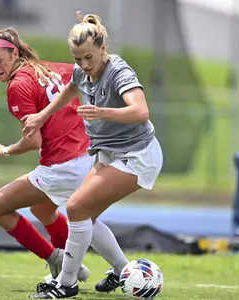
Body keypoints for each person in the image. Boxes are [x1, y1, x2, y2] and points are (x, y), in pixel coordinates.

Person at [23, 12, 164, 299]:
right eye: (77, 59)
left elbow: (141, 111)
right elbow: (71, 89)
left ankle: (66, 284)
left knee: (75, 208)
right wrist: (41, 116)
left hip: (138, 155)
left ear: (103, 48)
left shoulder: (119, 71)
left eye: (89, 57)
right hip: (109, 153)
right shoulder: (81, 71)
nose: (84, 65)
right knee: (84, 216)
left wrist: (102, 113)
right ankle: (122, 270)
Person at [0, 27, 94, 283]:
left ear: (14, 53)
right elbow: (84, 79)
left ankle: (59, 262)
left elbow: (33, 141)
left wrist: (4, 150)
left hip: (62, 165)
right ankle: (69, 267)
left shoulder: (18, 85)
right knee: (42, 208)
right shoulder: (51, 68)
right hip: (86, 155)